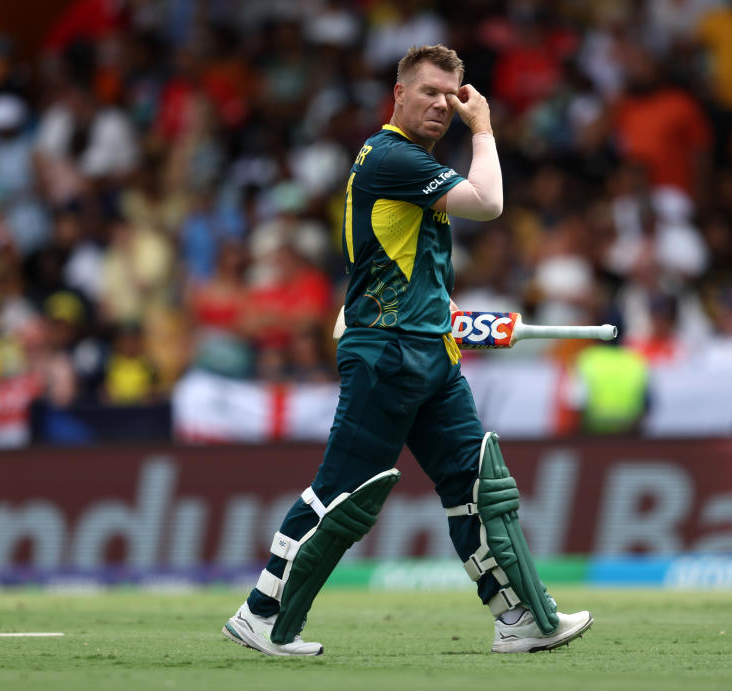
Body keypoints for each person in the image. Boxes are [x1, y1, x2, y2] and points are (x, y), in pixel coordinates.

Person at [222, 44, 593, 657]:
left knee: (479, 486)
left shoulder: (412, 168)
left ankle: (521, 617)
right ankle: (260, 613)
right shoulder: (390, 155)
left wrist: (453, 319)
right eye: (429, 92)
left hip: (428, 353)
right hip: (388, 356)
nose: (443, 106)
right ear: (398, 95)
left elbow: (411, 276)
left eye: (453, 96)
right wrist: (486, 127)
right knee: (340, 494)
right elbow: (491, 203)